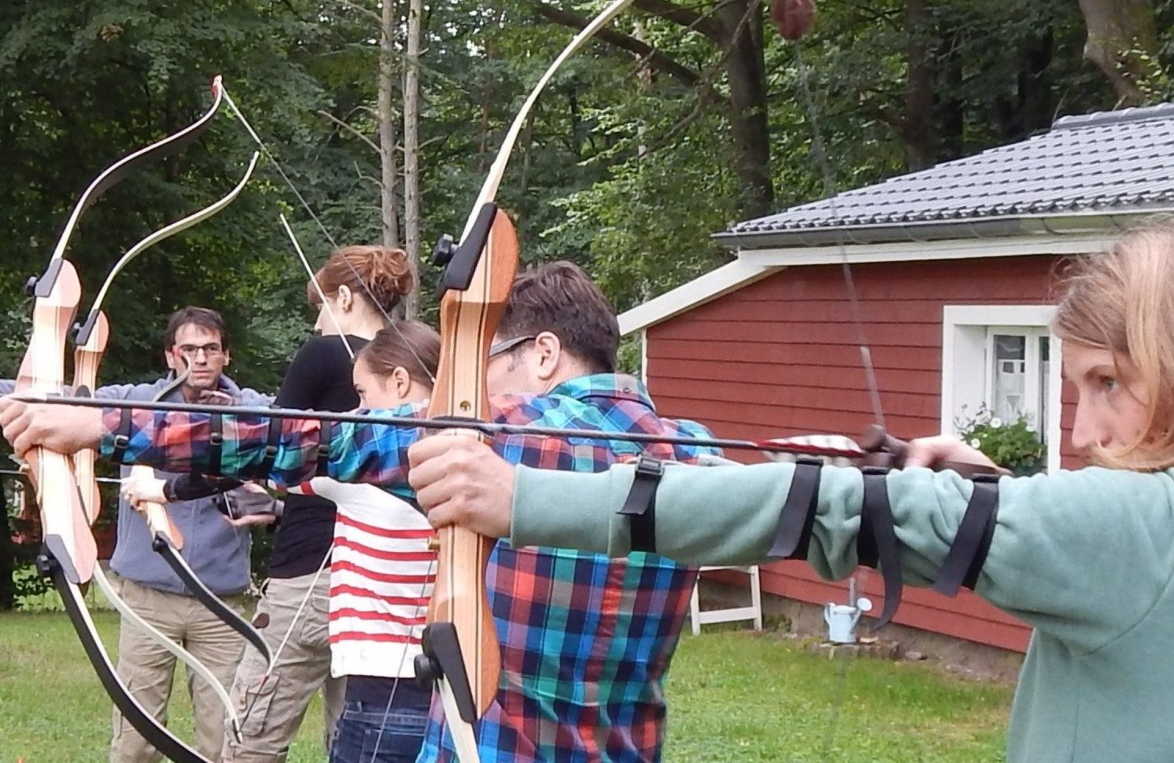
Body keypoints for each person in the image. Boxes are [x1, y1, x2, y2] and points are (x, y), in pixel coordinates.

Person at [400, 227, 1174, 763]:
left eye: (1109, 382)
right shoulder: (1133, 535)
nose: (1082, 436)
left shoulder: (1141, 520)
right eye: (1076, 391)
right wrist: (995, 498)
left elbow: (827, 505)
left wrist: (524, 499)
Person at [2, 262, 719, 763]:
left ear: (542, 354)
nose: (480, 385)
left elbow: (307, 435)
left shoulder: (508, 438)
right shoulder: (700, 457)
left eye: (488, 359)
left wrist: (106, 425)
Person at [125, 322, 442, 763]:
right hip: (441, 696)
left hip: (378, 694)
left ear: (401, 383)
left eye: (363, 396)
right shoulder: (460, 458)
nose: (355, 413)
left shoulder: (362, 471)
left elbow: (263, 453)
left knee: (251, 738)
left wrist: (163, 488)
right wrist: (274, 509)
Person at [2, 306, 268, 763]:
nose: (199, 359)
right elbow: (55, 400)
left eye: (210, 349)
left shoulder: (255, 412)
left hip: (220, 601)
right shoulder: (137, 402)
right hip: (148, 597)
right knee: (136, 737)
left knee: (226, 736)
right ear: (171, 355)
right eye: (188, 350)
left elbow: (307, 432)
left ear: (226, 356)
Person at [221, 244, 415, 763]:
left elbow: (271, 446)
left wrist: (173, 485)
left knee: (249, 738)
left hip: (309, 578)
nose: (316, 326)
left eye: (321, 308)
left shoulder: (326, 354)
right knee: (353, 742)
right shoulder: (414, 362)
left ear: (345, 297)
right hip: (381, 588)